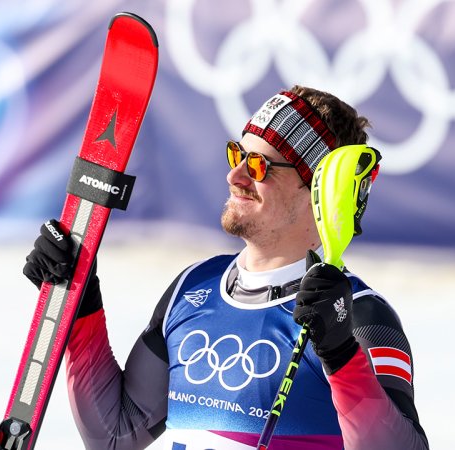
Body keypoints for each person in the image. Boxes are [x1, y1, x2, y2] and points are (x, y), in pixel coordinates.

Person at [23, 86, 429, 449]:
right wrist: (82, 304)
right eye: (238, 155)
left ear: (319, 192)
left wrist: (341, 356)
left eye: (260, 166)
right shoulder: (194, 285)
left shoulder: (361, 314)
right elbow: (115, 436)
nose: (235, 176)